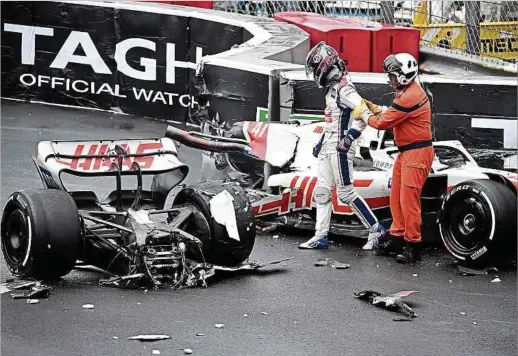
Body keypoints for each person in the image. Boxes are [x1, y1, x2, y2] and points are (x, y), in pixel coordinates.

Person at [298, 41, 386, 251]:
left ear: (324, 68)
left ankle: (376, 229)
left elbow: (363, 112)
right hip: (329, 145)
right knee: (322, 191)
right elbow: (331, 122)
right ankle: (320, 235)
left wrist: (349, 138)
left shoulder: (345, 89)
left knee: (345, 193)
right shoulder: (333, 89)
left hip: (340, 148)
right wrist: (321, 143)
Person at [356, 52, 434, 264]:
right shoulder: (407, 92)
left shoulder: (410, 96)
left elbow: (382, 123)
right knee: (397, 198)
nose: (389, 79)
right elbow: (392, 113)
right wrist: (374, 109)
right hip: (407, 152)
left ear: (402, 76)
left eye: (392, 75)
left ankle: (413, 246)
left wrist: (364, 113)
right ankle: (398, 237)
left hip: (416, 153)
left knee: (409, 201)